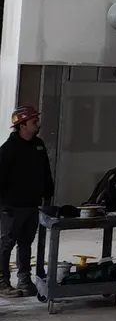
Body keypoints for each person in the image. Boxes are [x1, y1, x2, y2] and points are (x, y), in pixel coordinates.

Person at [0, 106, 55, 295]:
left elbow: (46, 173)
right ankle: (2, 283)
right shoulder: (8, 150)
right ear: (22, 125)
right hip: (13, 206)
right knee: (6, 243)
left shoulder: (38, 145)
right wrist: (3, 205)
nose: (37, 124)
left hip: (32, 204)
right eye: (34, 122)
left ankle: (24, 280)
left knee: (25, 243)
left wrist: (48, 194)